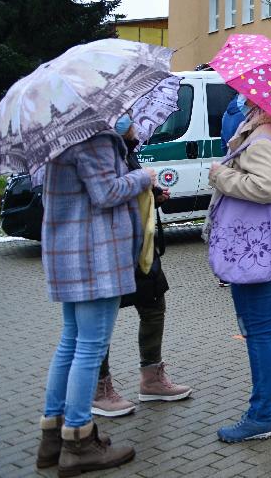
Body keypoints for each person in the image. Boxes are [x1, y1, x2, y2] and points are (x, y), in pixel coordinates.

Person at [37, 119, 155, 473]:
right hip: (94, 256)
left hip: (69, 252)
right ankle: (78, 440)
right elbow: (105, 193)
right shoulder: (95, 136)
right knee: (89, 347)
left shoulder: (61, 130)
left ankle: (53, 437)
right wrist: (141, 177)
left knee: (71, 342)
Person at [207, 101, 271, 443]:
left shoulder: (264, 138)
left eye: (248, 99)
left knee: (260, 331)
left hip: (260, 248)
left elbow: (265, 189)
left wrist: (222, 175)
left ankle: (261, 416)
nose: (243, 103)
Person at [92, 115, 192, 419]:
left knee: (153, 306)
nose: (134, 122)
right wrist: (141, 181)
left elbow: (132, 194)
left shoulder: (127, 150)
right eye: (127, 119)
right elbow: (104, 195)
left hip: (140, 248)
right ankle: (99, 388)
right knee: (100, 321)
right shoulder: (101, 151)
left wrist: (153, 195)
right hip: (110, 249)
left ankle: (152, 379)